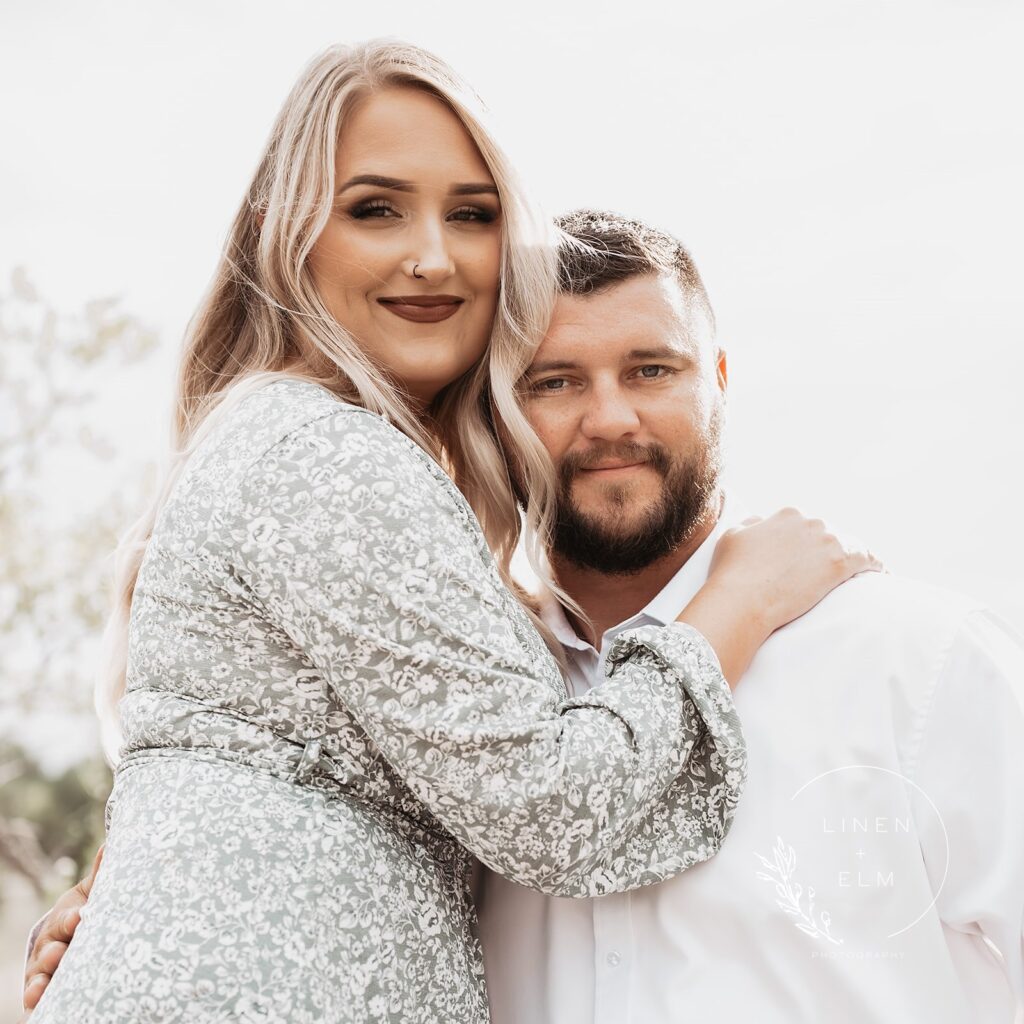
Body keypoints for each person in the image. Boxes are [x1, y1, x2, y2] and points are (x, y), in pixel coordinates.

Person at [19, 44, 876, 1024]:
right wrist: (738, 602)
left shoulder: (304, 448)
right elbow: (554, 812)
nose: (432, 254)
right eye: (375, 208)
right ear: (279, 230)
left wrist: (126, 887)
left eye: (472, 215)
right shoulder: (326, 452)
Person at [474, 210, 1024, 1023]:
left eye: (652, 370)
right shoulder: (467, 712)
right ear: (492, 414)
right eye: (553, 381)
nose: (611, 418)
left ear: (720, 382)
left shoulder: (920, 661)